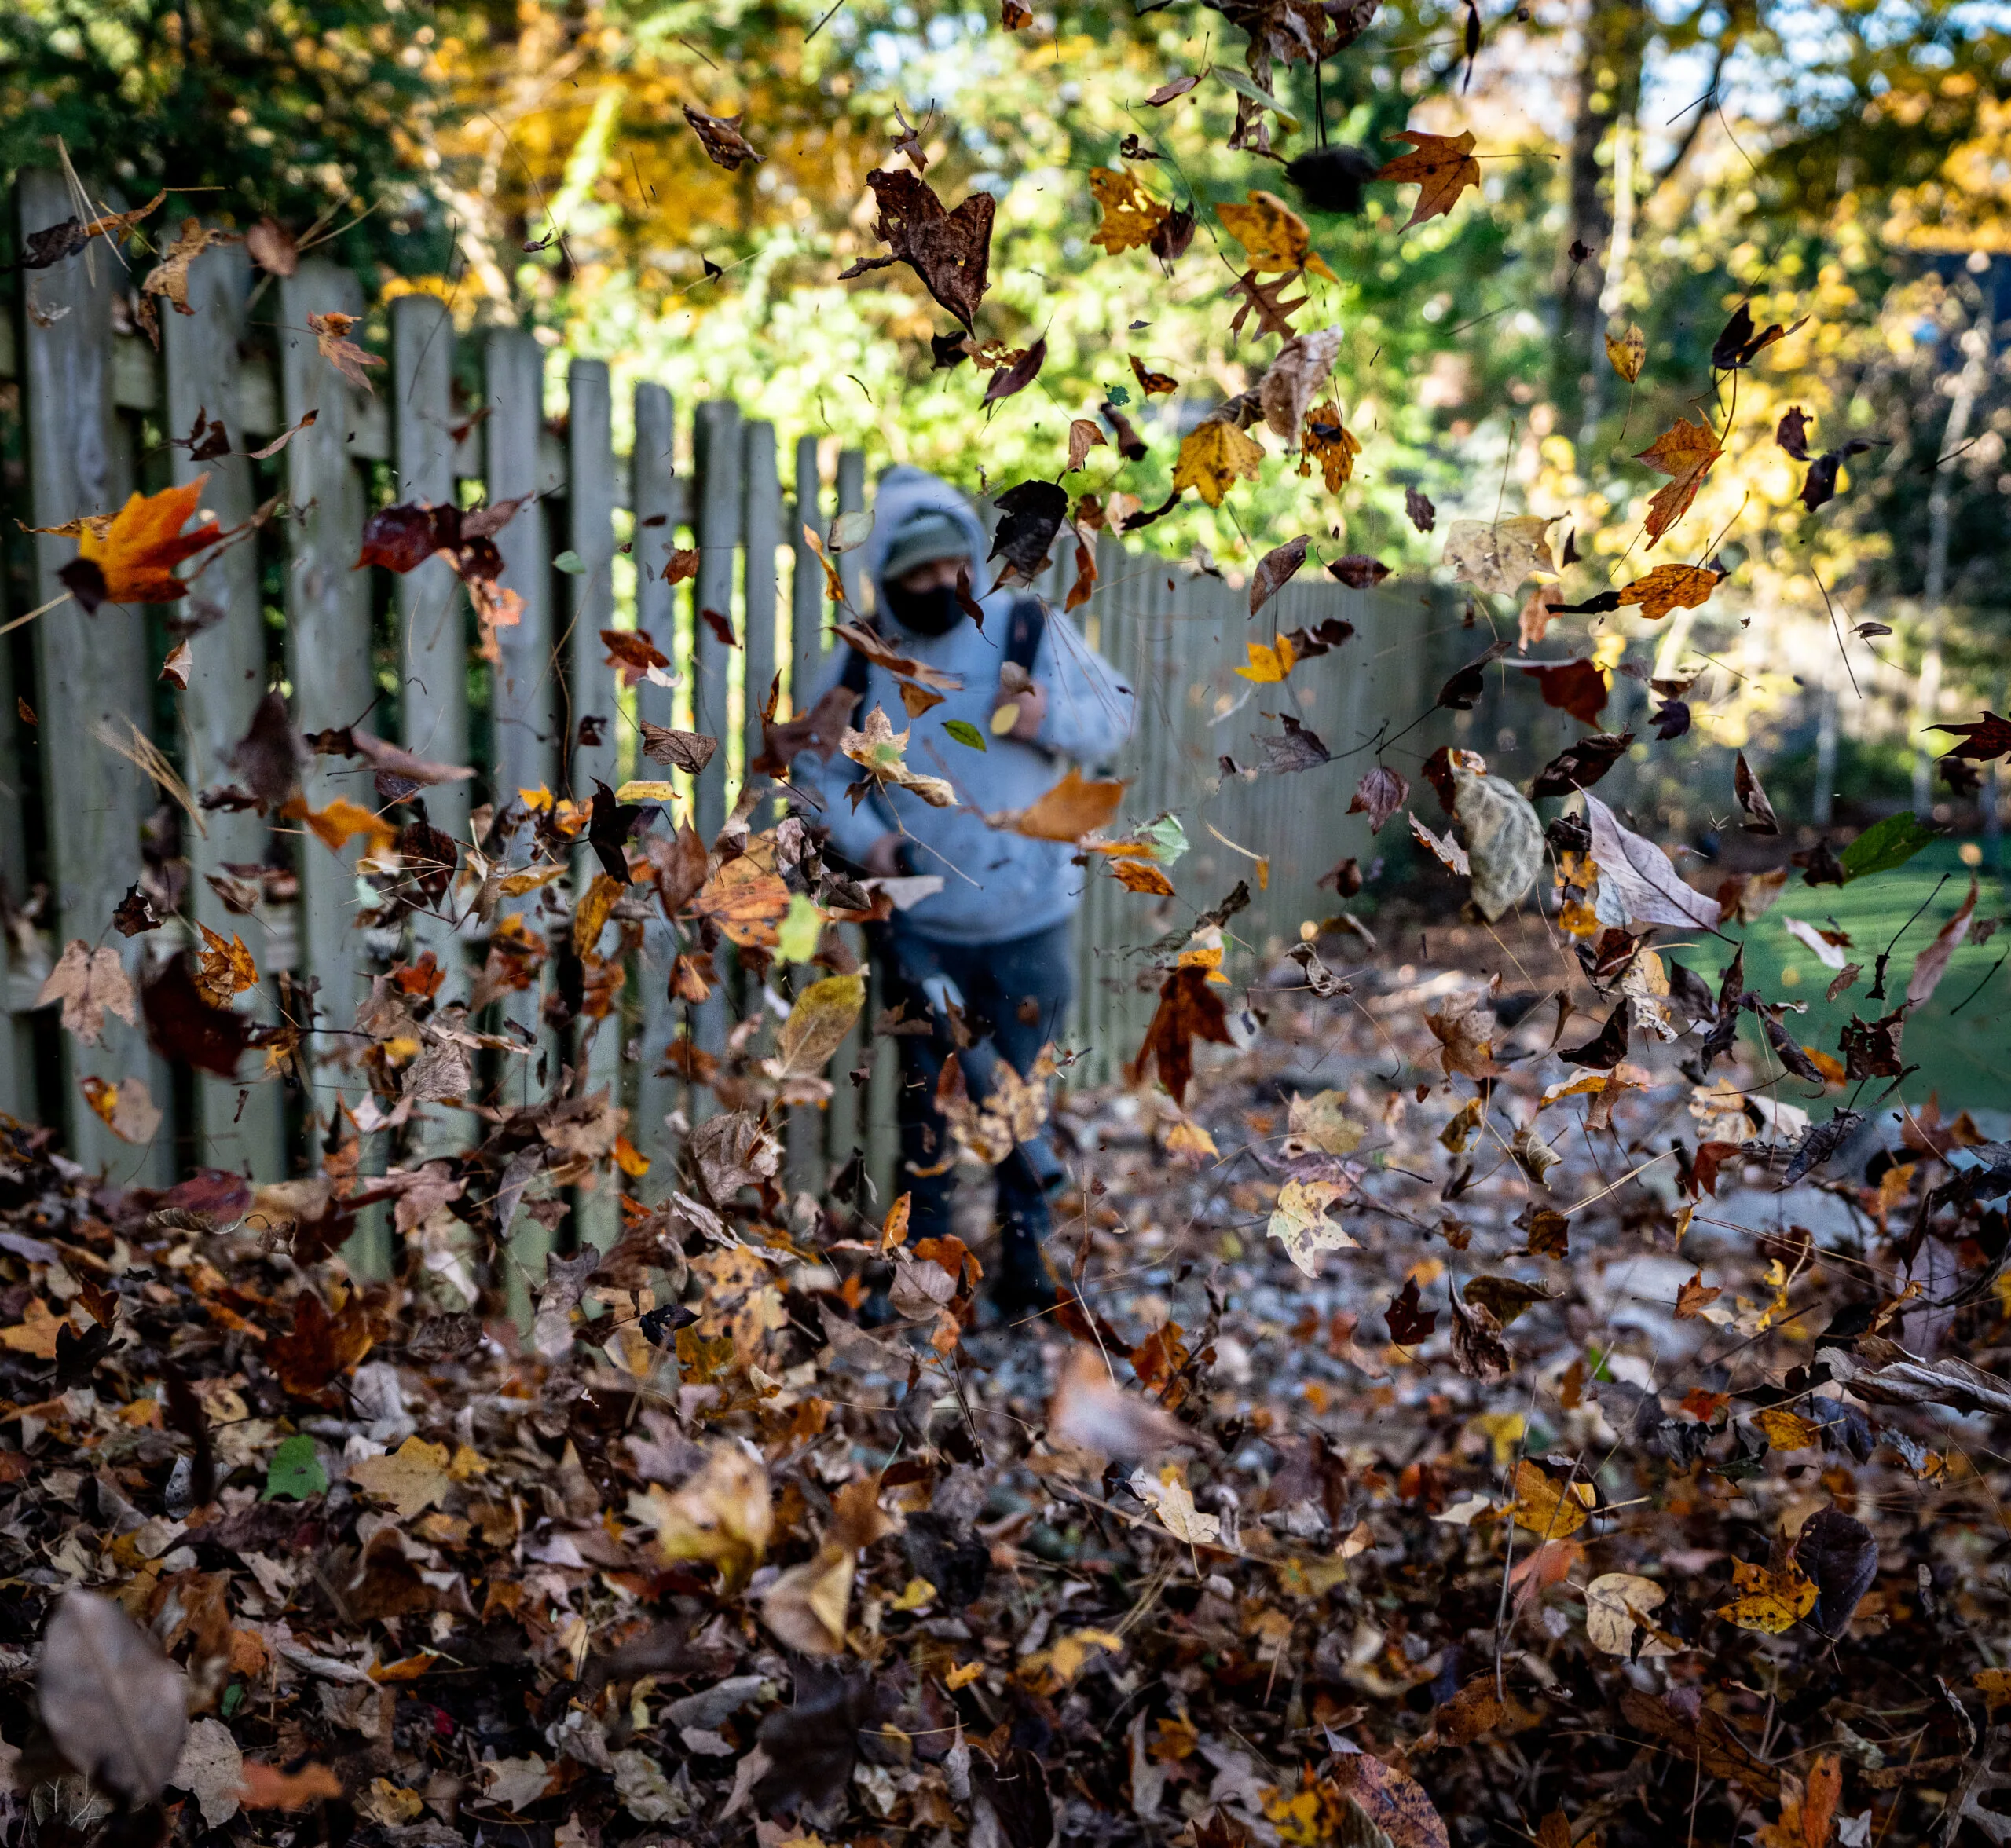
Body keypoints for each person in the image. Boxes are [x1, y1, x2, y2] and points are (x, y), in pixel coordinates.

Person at [793, 466, 1135, 1317]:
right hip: (922, 929)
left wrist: (1046, 713)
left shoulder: (1024, 626)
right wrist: (871, 841)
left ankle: (1025, 1272)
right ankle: (924, 1278)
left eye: (949, 568)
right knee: (930, 1113)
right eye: (914, 572)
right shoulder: (861, 650)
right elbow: (812, 769)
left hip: (1028, 920)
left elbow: (1118, 714)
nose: (936, 585)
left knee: (1023, 1098)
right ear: (886, 576)